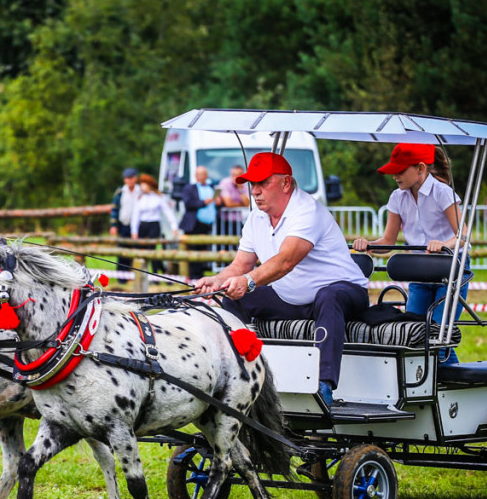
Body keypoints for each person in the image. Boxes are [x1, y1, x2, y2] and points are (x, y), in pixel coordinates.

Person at [194, 152, 368, 408]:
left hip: (346, 293)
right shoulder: (256, 218)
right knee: (230, 299)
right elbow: (241, 265)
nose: (255, 191)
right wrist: (217, 281)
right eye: (252, 184)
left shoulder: (307, 211)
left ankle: (324, 386)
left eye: (263, 183)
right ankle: (236, 374)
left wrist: (248, 281)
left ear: (286, 183)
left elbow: (286, 260)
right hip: (292, 298)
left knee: (328, 296)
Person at [353, 143, 468, 364]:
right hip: (420, 272)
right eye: (393, 170)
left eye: (400, 170)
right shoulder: (397, 198)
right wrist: (368, 245)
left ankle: (448, 385)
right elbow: (387, 242)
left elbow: (462, 236)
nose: (395, 176)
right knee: (413, 335)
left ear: (421, 168)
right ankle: (444, 382)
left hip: (450, 270)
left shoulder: (442, 193)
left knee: (437, 335)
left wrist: (443, 244)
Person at [130, 174, 179, 274]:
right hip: (143, 225)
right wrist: (134, 231)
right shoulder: (139, 198)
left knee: (152, 249)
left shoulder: (159, 197)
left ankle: (155, 274)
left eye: (144, 184)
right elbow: (135, 215)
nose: (142, 186)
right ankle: (145, 272)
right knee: (141, 250)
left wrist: (174, 226)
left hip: (154, 225)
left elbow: (168, 212)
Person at [179, 166, 218, 279]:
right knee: (193, 250)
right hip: (194, 224)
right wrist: (204, 202)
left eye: (203, 174)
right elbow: (188, 204)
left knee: (203, 250)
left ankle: (200, 274)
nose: (201, 176)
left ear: (207, 176)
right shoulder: (189, 188)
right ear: (196, 176)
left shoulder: (212, 187)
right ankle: (193, 275)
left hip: (207, 225)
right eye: (199, 174)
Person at [109, 168, 141, 281]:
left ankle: (137, 277)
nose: (129, 181)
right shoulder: (120, 192)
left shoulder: (140, 191)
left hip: (138, 227)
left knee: (138, 251)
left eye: (131, 178)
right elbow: (115, 209)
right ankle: (122, 278)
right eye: (127, 178)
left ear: (135, 178)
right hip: (124, 225)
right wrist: (113, 225)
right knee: (122, 252)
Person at [217, 163, 249, 240]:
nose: (235, 177)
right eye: (233, 175)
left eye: (238, 175)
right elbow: (228, 204)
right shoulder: (225, 183)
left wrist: (240, 189)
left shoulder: (244, 186)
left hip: (238, 220)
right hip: (224, 221)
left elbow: (247, 203)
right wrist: (241, 205)